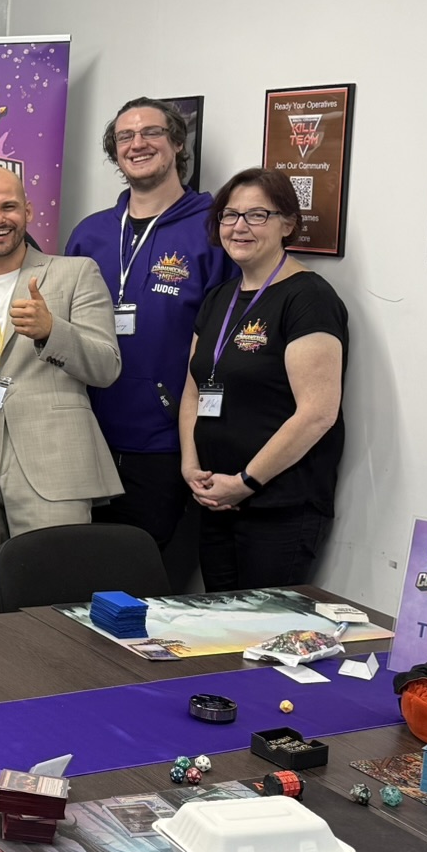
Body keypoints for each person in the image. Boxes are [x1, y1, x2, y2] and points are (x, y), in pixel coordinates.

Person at [0, 169, 121, 615]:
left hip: (55, 467)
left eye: (9, 206)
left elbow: (107, 366)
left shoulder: (75, 274)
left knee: (57, 609)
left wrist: (53, 332)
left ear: (28, 211)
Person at [65, 97, 234, 587]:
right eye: (125, 136)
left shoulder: (213, 230)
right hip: (87, 436)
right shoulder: (91, 233)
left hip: (164, 443)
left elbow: (225, 339)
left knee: (141, 582)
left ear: (177, 143)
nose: (137, 144)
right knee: (80, 576)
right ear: (114, 151)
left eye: (151, 133)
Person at [180, 168, 347, 589]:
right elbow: (194, 389)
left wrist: (246, 482)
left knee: (264, 626)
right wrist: (191, 466)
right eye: (229, 215)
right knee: (219, 624)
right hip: (215, 497)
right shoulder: (219, 298)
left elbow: (317, 414)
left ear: (287, 224)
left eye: (257, 215)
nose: (239, 227)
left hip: (278, 506)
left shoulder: (308, 298)